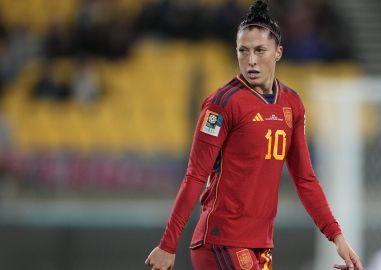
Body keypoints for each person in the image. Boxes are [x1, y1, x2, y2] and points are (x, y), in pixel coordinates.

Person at [145, 1, 363, 269]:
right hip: (221, 241)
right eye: (243, 51)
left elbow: (305, 179)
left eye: (260, 50)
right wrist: (168, 245)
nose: (251, 60)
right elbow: (195, 175)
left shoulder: (291, 104)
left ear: (278, 52)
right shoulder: (221, 104)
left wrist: (336, 236)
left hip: (261, 244)